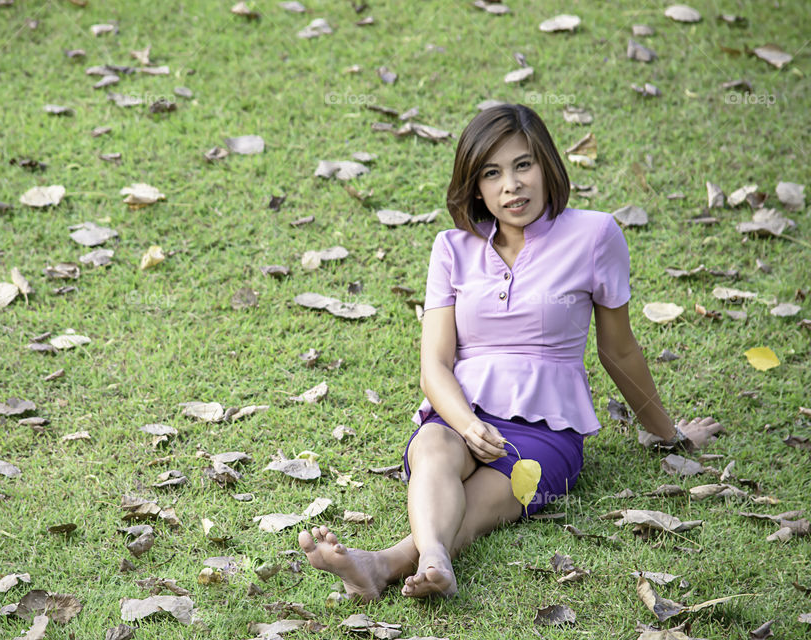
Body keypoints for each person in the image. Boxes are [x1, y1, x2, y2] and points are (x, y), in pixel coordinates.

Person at [297, 103, 722, 601]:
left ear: (546, 165)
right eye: (492, 173)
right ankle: (426, 559)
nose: (511, 186)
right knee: (432, 449)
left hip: (546, 433)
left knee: (477, 508)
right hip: (458, 415)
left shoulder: (595, 235)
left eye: (523, 165)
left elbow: (619, 350)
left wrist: (668, 434)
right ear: (475, 187)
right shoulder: (452, 247)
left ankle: (390, 562)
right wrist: (465, 424)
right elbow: (434, 364)